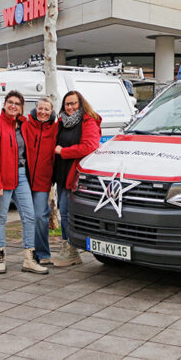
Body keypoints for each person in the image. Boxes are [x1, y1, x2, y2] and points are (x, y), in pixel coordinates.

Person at [0, 90, 47, 274]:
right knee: (1, 216)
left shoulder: (23, 124)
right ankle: (0, 256)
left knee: (29, 216)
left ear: (21, 108)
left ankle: (29, 259)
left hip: (21, 175)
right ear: (5, 104)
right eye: (10, 102)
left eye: (17, 104)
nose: (13, 106)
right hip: (2, 176)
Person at [53, 90, 102, 267]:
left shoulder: (88, 121)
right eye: (67, 104)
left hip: (75, 175)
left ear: (81, 104)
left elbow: (90, 146)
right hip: (61, 174)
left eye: (74, 103)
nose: (70, 107)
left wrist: (63, 152)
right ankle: (68, 246)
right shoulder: (61, 122)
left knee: (67, 212)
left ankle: (71, 249)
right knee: (63, 211)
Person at [24, 97, 58, 265]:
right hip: (24, 179)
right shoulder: (26, 124)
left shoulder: (55, 129)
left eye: (47, 109)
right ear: (35, 108)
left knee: (40, 216)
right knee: (27, 217)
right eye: (40, 108)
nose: (43, 112)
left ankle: (43, 252)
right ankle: (29, 253)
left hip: (43, 180)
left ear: (51, 112)